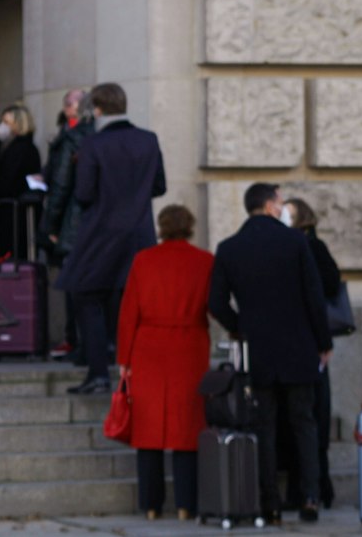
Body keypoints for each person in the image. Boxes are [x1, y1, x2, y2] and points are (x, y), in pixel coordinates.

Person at [208, 182, 332, 524]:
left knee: (264, 426)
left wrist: (240, 326)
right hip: (299, 348)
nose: (281, 207)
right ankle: (309, 496)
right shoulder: (295, 242)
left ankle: (270, 503)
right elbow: (314, 297)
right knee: (304, 424)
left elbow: (216, 302)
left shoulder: (230, 247)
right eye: (278, 201)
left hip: (258, 349)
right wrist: (324, 342)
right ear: (268, 205)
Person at [56, 82, 165, 395]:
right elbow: (159, 185)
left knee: (86, 296)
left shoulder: (93, 144)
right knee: (129, 301)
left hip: (101, 233)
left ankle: (98, 373)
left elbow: (84, 193)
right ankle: (132, 370)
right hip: (140, 233)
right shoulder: (148, 140)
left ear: (98, 109)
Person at [117, 203, 214, 521]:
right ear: (190, 226)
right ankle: (187, 504)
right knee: (187, 427)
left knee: (150, 428)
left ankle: (151, 505)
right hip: (190, 345)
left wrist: (124, 358)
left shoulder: (143, 260)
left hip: (149, 346)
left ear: (161, 227)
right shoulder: (205, 261)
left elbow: (129, 311)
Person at [281, 197, 341, 511]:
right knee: (309, 419)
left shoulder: (309, 248)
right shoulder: (302, 247)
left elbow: (329, 286)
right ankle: (315, 488)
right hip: (311, 342)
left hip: (310, 344)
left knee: (308, 419)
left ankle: (312, 488)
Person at [42, 86, 92, 361]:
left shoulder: (72, 138)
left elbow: (60, 185)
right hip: (93, 223)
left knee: (73, 285)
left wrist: (49, 227)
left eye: (70, 103)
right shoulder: (90, 134)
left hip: (72, 223)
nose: (66, 108)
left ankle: (75, 340)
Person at [0, 103, 43, 259]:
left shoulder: (20, 149)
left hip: (13, 212)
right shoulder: (17, 147)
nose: (2, 127)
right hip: (13, 210)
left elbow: (9, 180)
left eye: (6, 122)